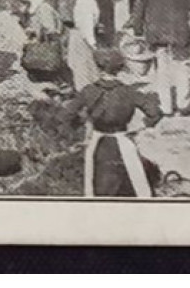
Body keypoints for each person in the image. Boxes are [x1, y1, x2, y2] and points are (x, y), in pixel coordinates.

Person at [62, 48, 165, 198]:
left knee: (93, 184)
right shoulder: (129, 91)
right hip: (123, 139)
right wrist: (142, 127)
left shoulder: (89, 91)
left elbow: (66, 114)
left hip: (97, 140)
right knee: (137, 183)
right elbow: (155, 112)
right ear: (120, 69)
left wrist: (77, 128)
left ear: (98, 66)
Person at [67, 0, 115, 93]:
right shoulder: (88, 2)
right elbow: (86, 25)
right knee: (85, 71)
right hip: (83, 38)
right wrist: (93, 44)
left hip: (80, 36)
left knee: (84, 70)